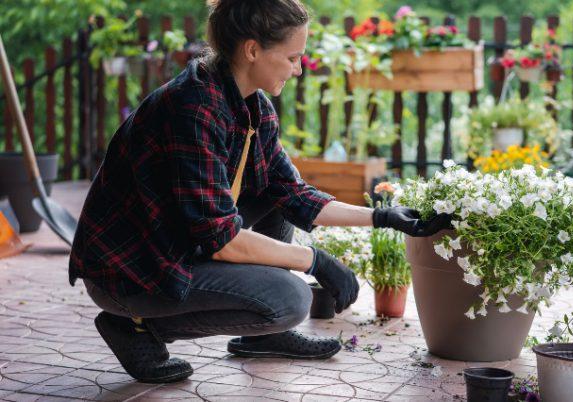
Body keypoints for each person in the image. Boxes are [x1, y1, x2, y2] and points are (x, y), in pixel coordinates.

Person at [68, 0, 451, 384]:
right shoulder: (193, 109)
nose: (299, 69)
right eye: (292, 57)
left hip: (174, 244)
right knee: (290, 299)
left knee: (274, 193)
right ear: (252, 50)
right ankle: (135, 327)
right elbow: (222, 241)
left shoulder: (253, 106)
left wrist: (382, 218)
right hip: (131, 272)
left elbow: (293, 193)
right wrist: (315, 260)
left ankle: (264, 338)